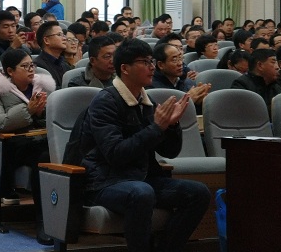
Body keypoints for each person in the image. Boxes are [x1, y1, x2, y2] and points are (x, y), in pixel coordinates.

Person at [80, 38, 210, 252]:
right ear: (125, 69)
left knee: (198, 193)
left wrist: (171, 125)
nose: (152, 67)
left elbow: (170, 152)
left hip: (141, 178)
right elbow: (116, 154)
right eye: (145, 62)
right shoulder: (105, 102)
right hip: (104, 182)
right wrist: (157, 128)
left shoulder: (145, 101)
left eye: (151, 61)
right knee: (141, 192)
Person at [0, 48, 56, 245]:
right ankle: (43, 221)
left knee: (61, 151)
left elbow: (56, 117)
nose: (31, 70)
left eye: (32, 65)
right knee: (44, 158)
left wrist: (42, 113)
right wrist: (27, 111)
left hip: (42, 140)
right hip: (15, 145)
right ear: (10, 71)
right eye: (25, 66)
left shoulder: (41, 86)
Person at [150, 42, 211, 114]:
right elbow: (160, 116)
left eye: (180, 58)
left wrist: (200, 102)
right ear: (160, 65)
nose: (180, 63)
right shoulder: (152, 87)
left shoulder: (187, 82)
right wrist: (188, 100)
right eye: (174, 60)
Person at [231, 49, 281, 115]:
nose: (278, 68)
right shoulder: (241, 84)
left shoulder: (276, 85)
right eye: (273, 62)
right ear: (260, 65)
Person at [34, 21, 70, 89]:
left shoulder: (65, 64)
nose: (64, 38)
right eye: (59, 35)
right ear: (46, 40)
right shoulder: (39, 66)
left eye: (63, 35)